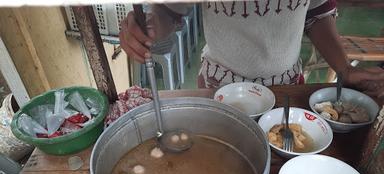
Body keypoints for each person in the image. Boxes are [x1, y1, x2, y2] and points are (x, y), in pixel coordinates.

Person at [119, 1, 384, 100]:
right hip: (218, 87)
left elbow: (316, 12)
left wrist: (345, 69)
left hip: (285, 89)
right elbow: (169, 9)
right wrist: (151, 25)